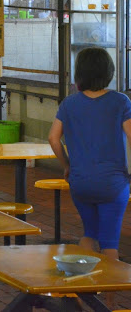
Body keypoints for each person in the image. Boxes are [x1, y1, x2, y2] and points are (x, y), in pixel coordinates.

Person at [48, 47, 130, 307]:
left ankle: (79, 295)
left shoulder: (69, 103)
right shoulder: (121, 101)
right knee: (110, 243)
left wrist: (67, 165)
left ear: (79, 72)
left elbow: (53, 138)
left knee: (89, 233)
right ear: (108, 72)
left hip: (80, 182)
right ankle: (107, 303)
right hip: (114, 183)